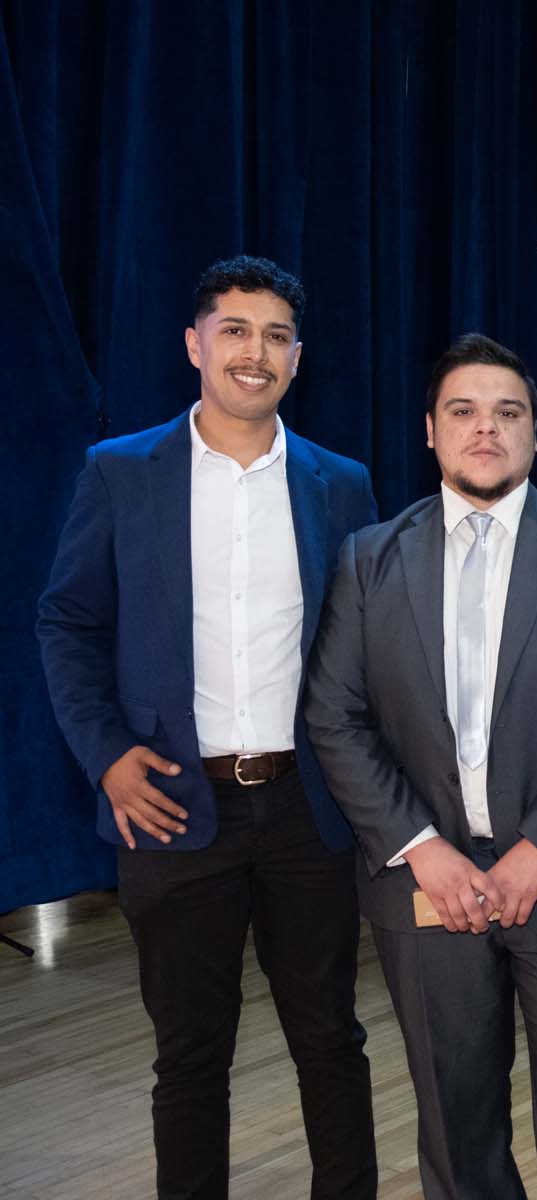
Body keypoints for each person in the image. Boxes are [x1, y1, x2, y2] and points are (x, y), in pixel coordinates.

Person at [37, 255, 379, 1199]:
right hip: (171, 806)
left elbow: (368, 645)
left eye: (275, 336)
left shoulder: (340, 484)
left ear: (297, 357)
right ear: (195, 344)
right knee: (190, 1055)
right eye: (234, 330)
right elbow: (67, 623)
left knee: (331, 1040)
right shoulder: (120, 472)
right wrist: (107, 757)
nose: (253, 352)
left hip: (310, 810)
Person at [304, 333, 537, 1199]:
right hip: (429, 884)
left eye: (508, 413)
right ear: (430, 430)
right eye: (462, 411)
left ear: (536, 434)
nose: (485, 429)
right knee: (456, 1129)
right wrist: (420, 846)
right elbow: (334, 715)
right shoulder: (368, 559)